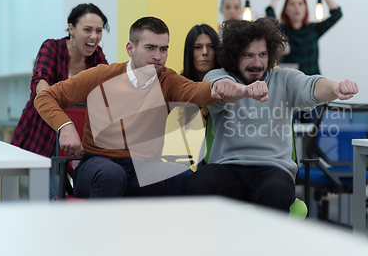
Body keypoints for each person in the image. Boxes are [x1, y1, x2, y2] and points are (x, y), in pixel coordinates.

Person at [34, 17, 268, 199]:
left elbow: (197, 91)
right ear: (130, 48)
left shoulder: (167, 79)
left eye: (164, 49)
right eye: (150, 48)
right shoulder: (102, 75)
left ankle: (170, 249)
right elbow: (45, 98)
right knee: (110, 173)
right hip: (97, 165)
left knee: (184, 176)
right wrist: (65, 126)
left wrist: (234, 88)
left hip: (142, 170)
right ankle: (102, 250)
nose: (158, 56)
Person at [186, 17, 359, 214]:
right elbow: (223, 90)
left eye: (263, 54)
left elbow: (311, 85)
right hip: (227, 168)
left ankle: (269, 245)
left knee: (275, 191)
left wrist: (336, 88)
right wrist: (245, 91)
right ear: (235, 55)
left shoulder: (284, 78)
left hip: (272, 169)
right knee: (198, 183)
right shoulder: (217, 76)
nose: (257, 62)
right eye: (248, 55)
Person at [11, 3, 109, 199]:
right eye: (87, 30)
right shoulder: (52, 48)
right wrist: (62, 121)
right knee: (50, 195)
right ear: (71, 28)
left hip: (77, 138)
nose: (94, 36)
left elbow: (107, 92)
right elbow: (40, 83)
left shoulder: (97, 57)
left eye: (99, 31)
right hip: (43, 131)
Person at [265, 0, 342, 75]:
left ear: (305, 9)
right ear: (286, 10)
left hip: (312, 82)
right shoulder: (281, 31)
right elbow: (270, 19)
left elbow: (337, 14)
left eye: (300, 4)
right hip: (289, 82)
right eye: (292, 4)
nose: (296, 7)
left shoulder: (314, 29)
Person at [181, 24, 221, 165]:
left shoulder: (228, 84)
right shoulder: (180, 86)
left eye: (210, 47)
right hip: (187, 159)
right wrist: (204, 113)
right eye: (198, 47)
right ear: (189, 52)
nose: (205, 52)